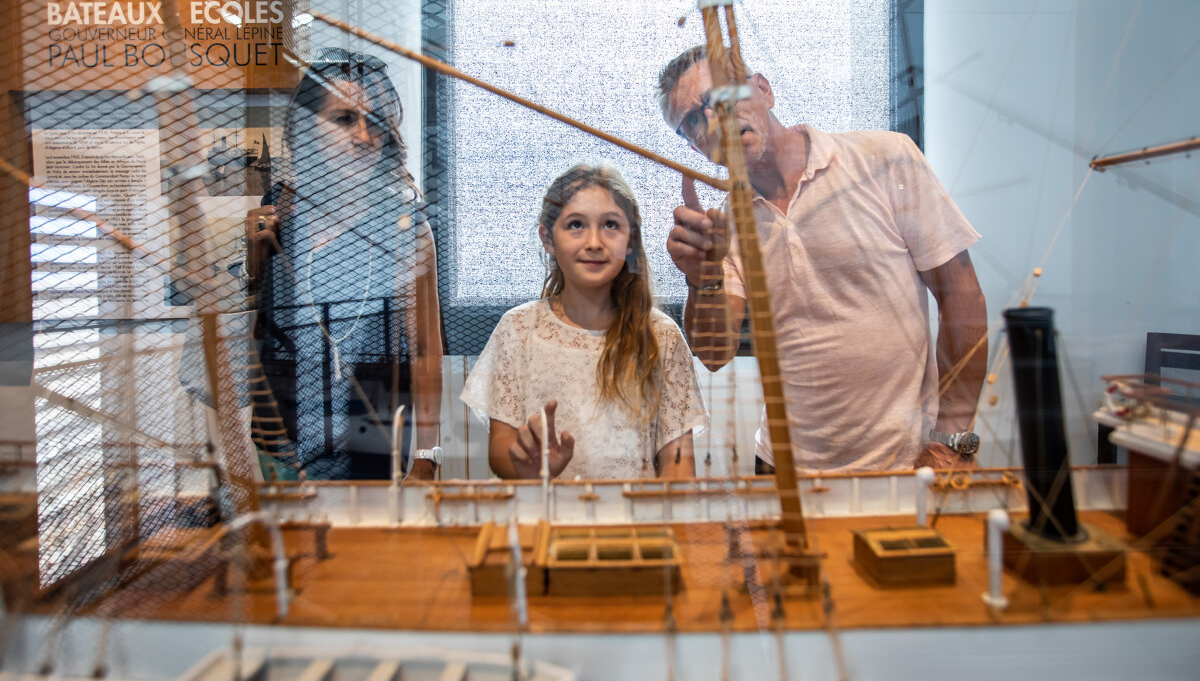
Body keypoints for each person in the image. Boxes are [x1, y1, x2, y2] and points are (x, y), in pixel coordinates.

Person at [658, 45, 987, 473]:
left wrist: (952, 439)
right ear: (694, 146)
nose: (713, 122)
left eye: (719, 98)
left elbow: (963, 300)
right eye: (693, 122)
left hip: (906, 460)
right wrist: (702, 278)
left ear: (763, 89)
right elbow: (715, 352)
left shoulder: (885, 159)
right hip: (782, 468)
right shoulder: (727, 221)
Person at [246, 48, 443, 480]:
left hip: (373, 443)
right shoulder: (277, 215)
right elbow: (253, 335)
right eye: (343, 119)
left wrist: (428, 458)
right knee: (292, 548)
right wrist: (254, 262)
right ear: (306, 129)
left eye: (374, 122)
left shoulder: (406, 226)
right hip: (283, 445)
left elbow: (426, 352)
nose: (363, 136)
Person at [461, 164, 707, 480]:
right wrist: (527, 464)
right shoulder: (518, 329)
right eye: (576, 225)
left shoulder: (661, 336)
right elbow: (500, 446)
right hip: (542, 520)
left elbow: (678, 466)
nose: (594, 242)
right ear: (547, 238)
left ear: (630, 240)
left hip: (632, 525)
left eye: (610, 225)